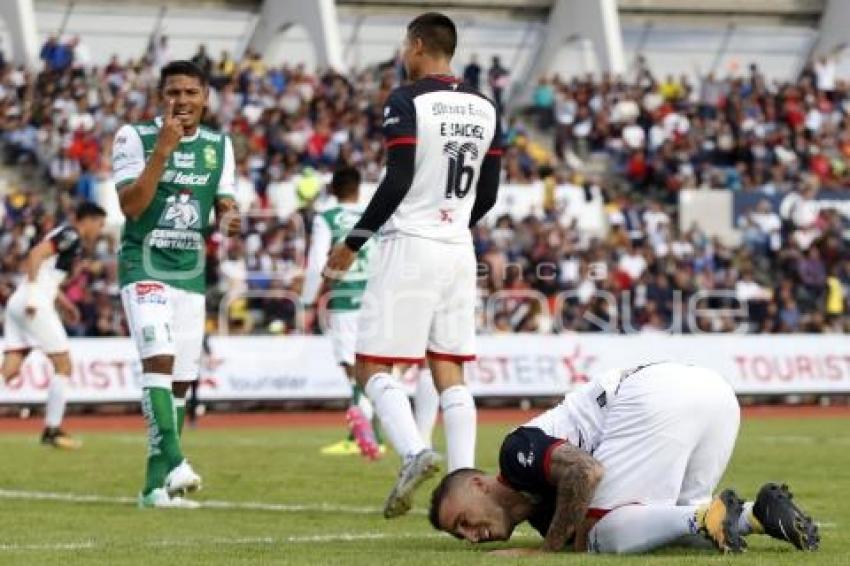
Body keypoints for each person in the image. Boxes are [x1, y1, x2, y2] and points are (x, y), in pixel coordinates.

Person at [323, 12, 503, 519]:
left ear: (419, 45)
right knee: (449, 368)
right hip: (456, 247)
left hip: (410, 244)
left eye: (406, 44)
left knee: (372, 365)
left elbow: (397, 178)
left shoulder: (408, 99)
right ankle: (465, 488)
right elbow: (487, 192)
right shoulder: (486, 106)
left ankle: (413, 452)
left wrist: (353, 242)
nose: (404, 52)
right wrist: (456, 224)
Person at [428, 362, 819, 555]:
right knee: (676, 527)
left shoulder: (515, 454)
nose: (468, 535)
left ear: (478, 484)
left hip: (653, 395)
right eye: (458, 534)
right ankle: (758, 515)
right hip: (716, 394)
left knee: (597, 534)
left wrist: (545, 552)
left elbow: (585, 470)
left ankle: (706, 516)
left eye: (461, 520)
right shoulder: (540, 514)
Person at [111, 60, 240, 509]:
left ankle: (153, 488)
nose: (181, 101)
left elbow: (224, 202)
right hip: (143, 267)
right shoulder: (134, 137)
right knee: (159, 362)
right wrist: (162, 152)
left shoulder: (219, 146)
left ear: (205, 96)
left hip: (189, 274)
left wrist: (230, 216)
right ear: (160, 96)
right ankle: (177, 461)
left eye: (190, 92)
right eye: (173, 92)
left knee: (182, 382)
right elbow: (131, 206)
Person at [2, 201, 107, 449]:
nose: (100, 230)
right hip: (32, 303)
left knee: (10, 370)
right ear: (88, 220)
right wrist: (32, 295)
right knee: (64, 365)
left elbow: (48, 273)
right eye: (99, 224)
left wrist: (64, 303)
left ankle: (53, 429)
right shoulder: (71, 234)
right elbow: (36, 255)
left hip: (22, 302)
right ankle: (53, 429)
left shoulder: (66, 236)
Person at [301, 166, 383, 458]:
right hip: (376, 297)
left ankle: (360, 436)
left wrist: (308, 299)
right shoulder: (374, 214)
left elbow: (315, 263)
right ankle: (374, 431)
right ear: (358, 188)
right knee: (373, 365)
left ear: (333, 190)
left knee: (352, 368)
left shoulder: (327, 218)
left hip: (345, 299)